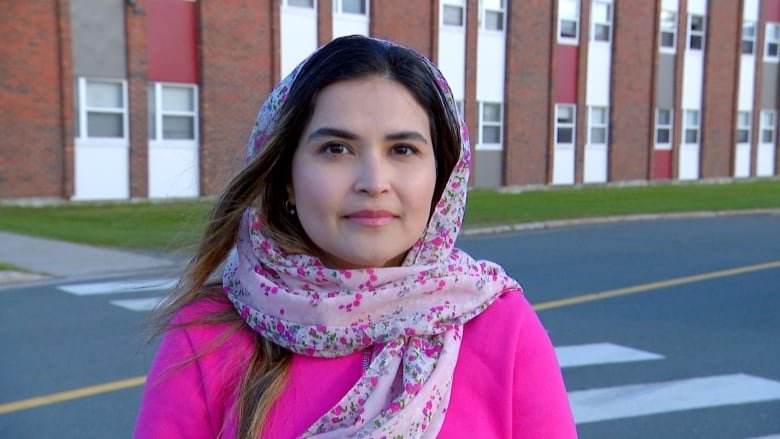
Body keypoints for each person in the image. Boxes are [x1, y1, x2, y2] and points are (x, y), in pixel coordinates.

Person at [134, 35, 576, 438]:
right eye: (336, 149)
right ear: (286, 176)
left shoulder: (501, 324)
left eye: (403, 150)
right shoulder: (209, 333)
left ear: (443, 177)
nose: (374, 181)